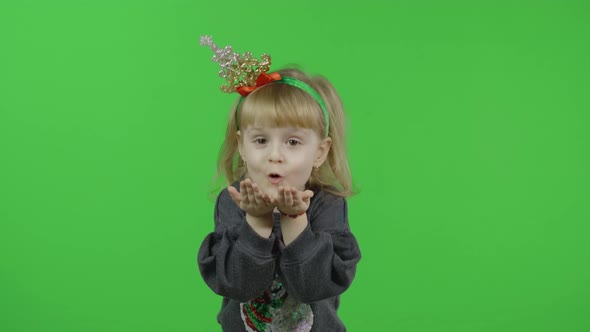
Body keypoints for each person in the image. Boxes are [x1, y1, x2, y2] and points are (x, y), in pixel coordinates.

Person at [197, 36, 361, 332]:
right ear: (242, 147)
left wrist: (295, 219)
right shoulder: (233, 201)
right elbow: (236, 285)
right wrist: (257, 222)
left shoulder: (328, 206)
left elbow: (314, 288)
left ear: (319, 152)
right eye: (261, 140)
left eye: (293, 142)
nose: (275, 155)